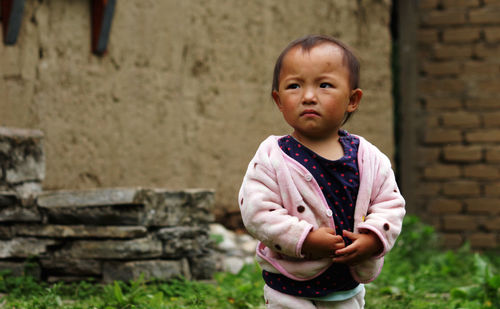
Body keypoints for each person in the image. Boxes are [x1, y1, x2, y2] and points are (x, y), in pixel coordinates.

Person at [238, 34, 406, 309]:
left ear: (352, 100)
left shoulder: (369, 158)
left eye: (324, 85)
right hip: (289, 289)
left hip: (347, 290)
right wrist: (303, 239)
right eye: (294, 86)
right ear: (279, 101)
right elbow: (257, 212)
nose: (308, 97)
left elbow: (390, 204)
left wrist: (373, 238)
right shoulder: (272, 158)